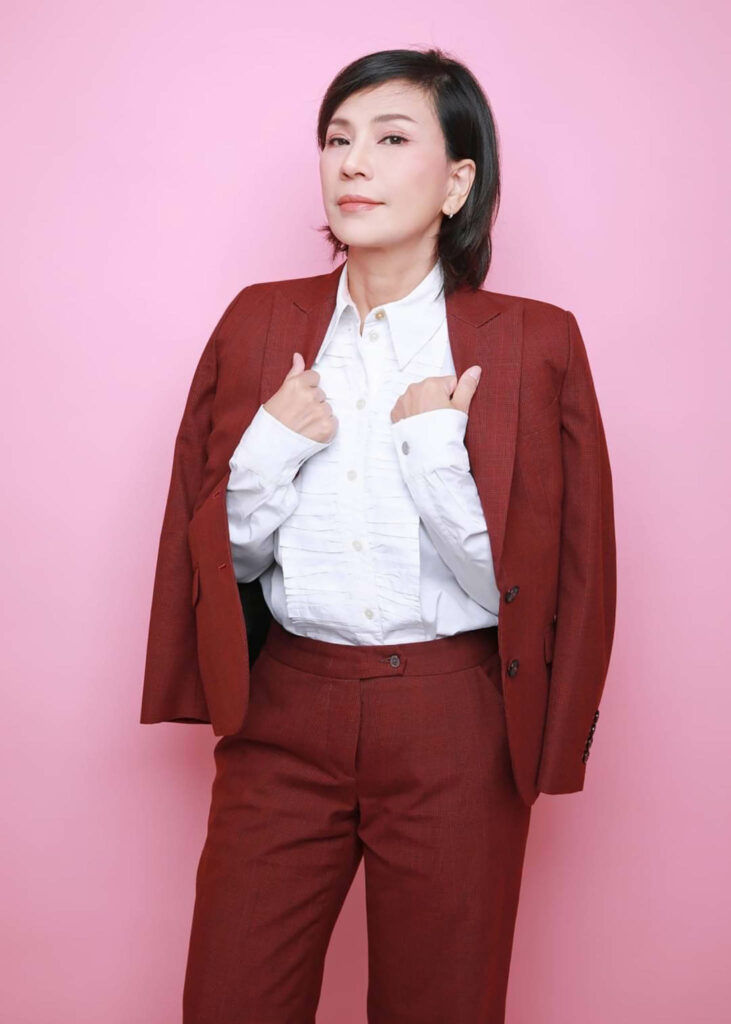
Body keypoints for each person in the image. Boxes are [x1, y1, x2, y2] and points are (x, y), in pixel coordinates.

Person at [140, 46, 617, 1024]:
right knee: (229, 1000)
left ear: (456, 183)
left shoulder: (534, 343)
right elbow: (222, 563)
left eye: (391, 139)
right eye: (337, 138)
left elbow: (540, 587)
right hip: (283, 711)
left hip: (455, 723)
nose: (352, 162)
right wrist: (270, 448)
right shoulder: (256, 322)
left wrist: (434, 453)